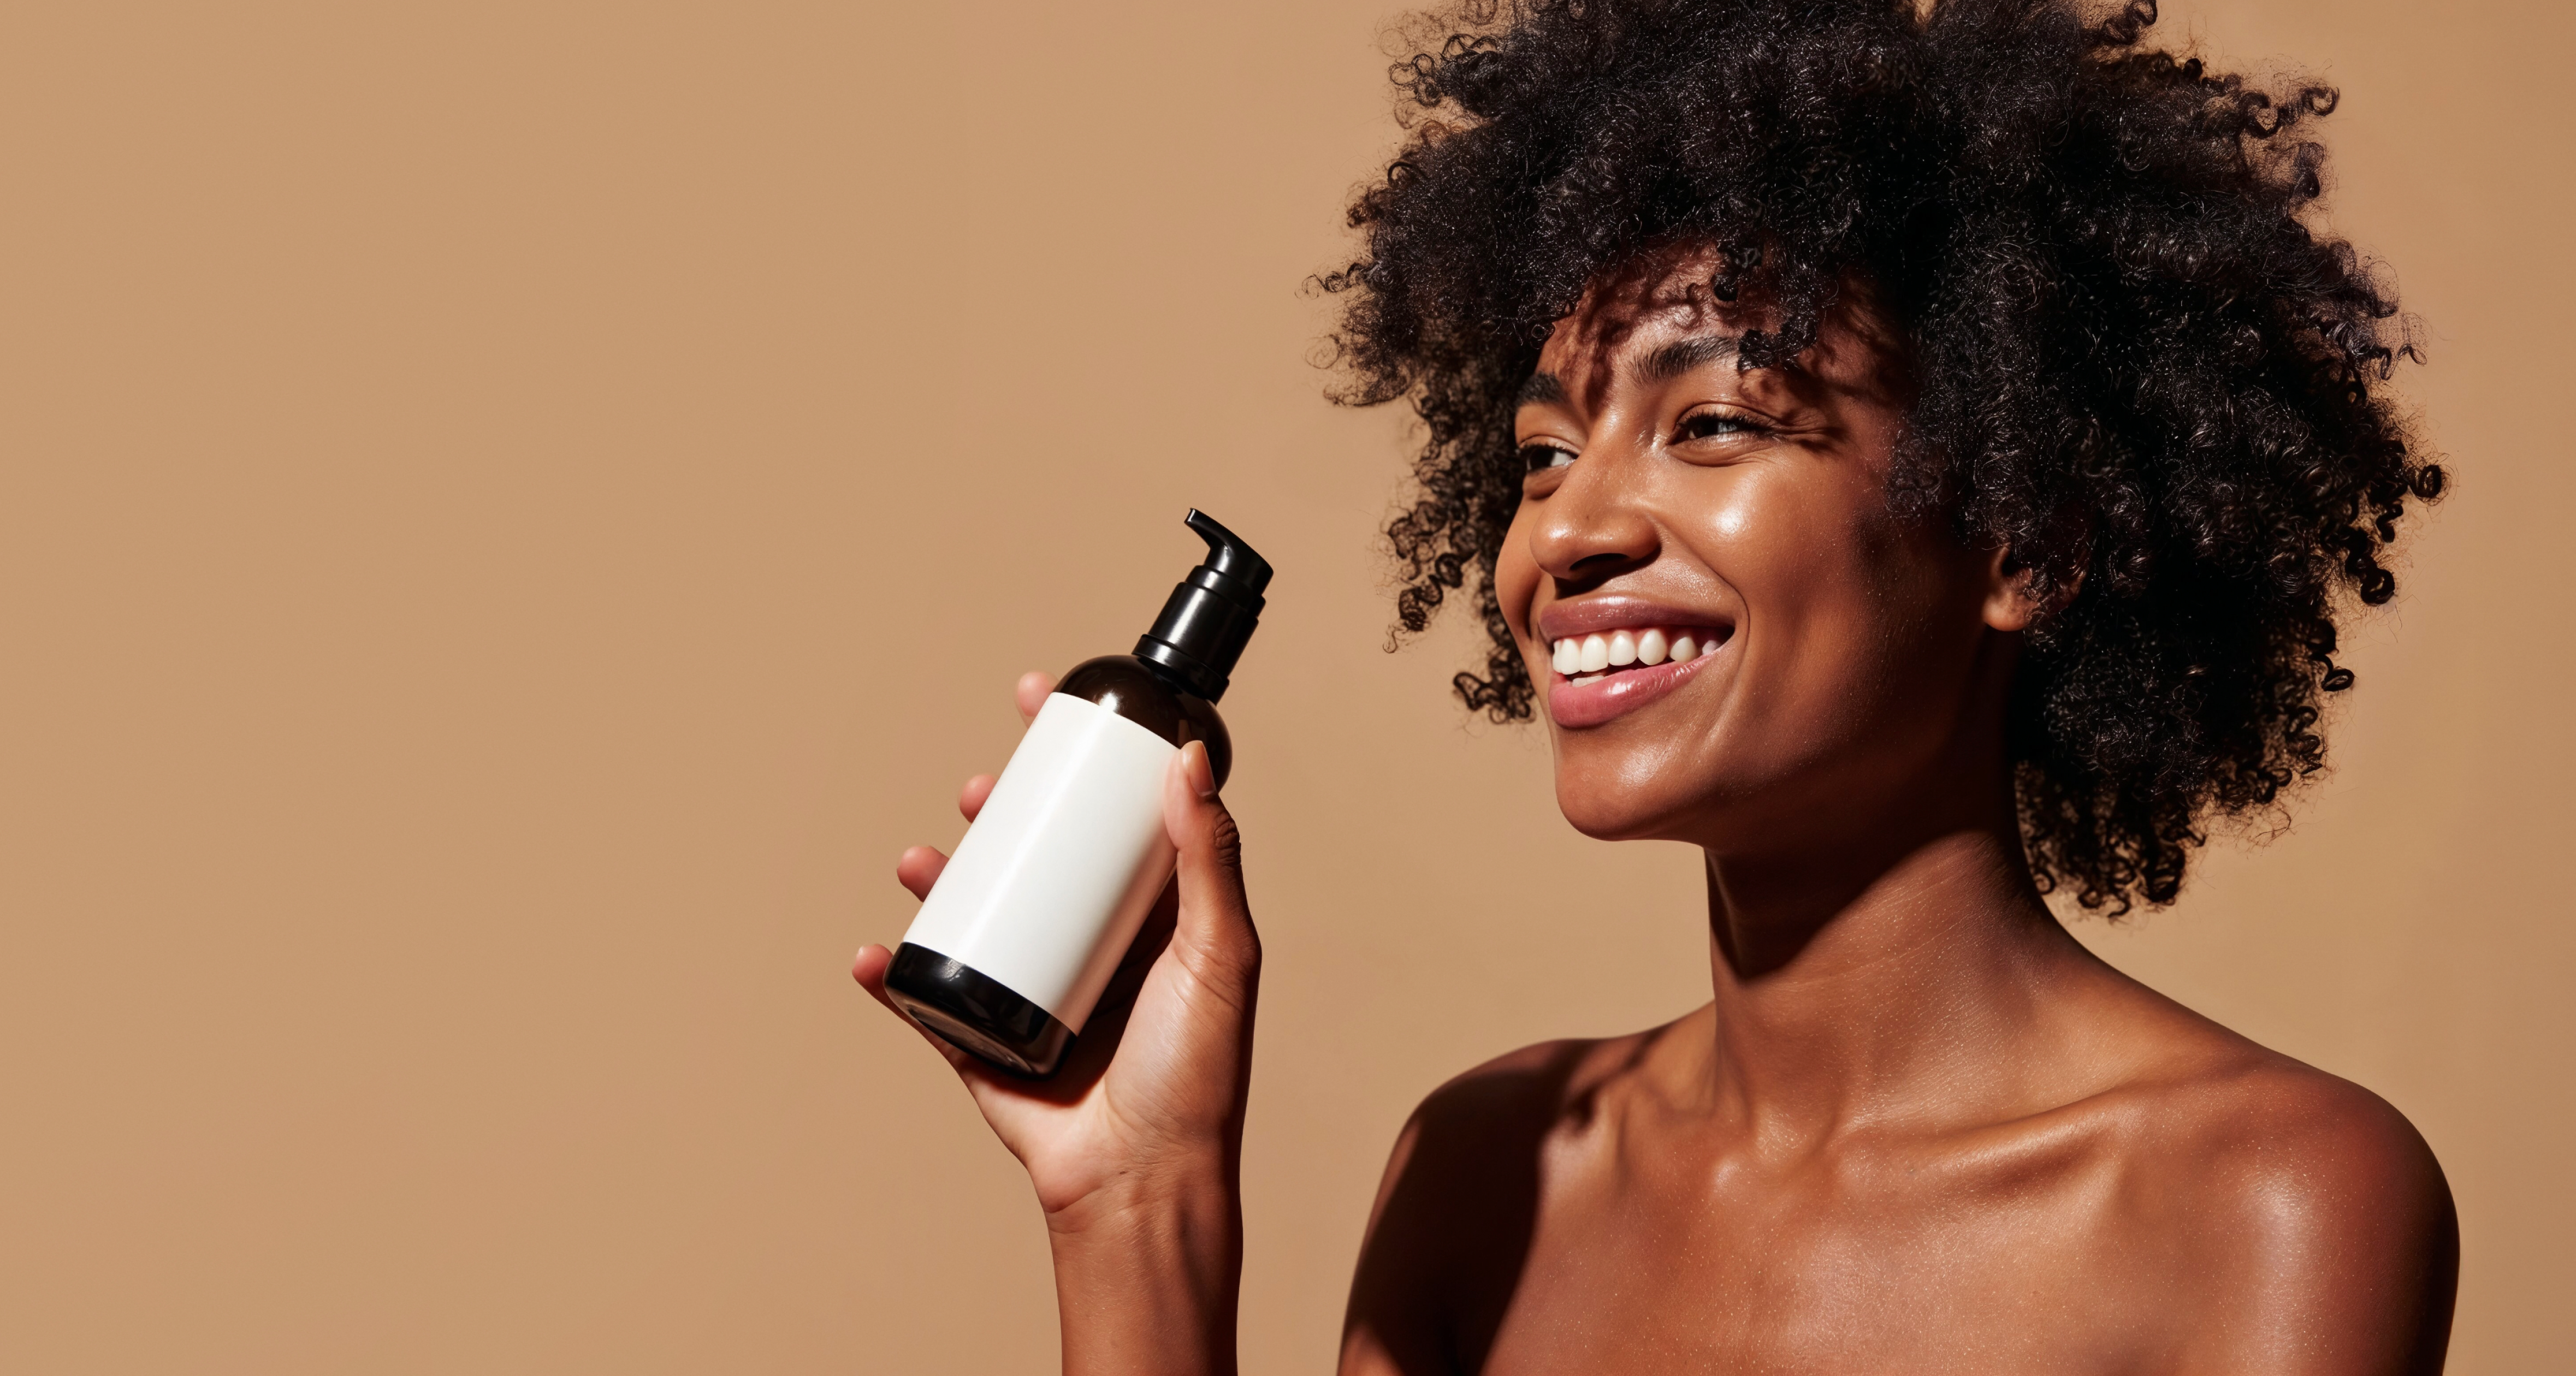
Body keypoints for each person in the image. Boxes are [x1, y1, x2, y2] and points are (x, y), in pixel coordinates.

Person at [854, 0, 2460, 1368]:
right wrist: (1139, 1203)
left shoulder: (2267, 1197)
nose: (1572, 531)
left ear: (2023, 540)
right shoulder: (1491, 1170)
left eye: (1712, 426)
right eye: (1544, 453)